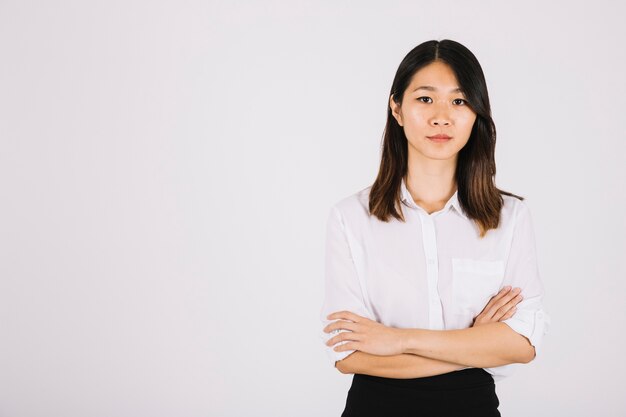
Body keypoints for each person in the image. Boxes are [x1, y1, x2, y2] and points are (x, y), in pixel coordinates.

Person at [319, 39, 551, 417]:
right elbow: (348, 355)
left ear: (477, 112)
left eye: (459, 101)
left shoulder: (510, 217)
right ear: (397, 108)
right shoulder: (351, 217)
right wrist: (476, 344)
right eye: (425, 99)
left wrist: (396, 340)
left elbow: (523, 345)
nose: (442, 116)